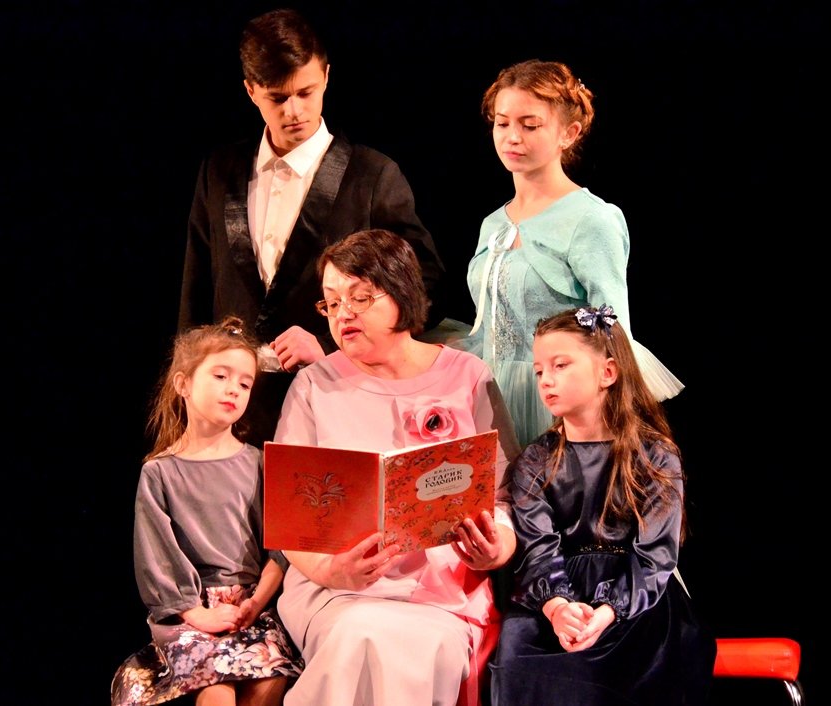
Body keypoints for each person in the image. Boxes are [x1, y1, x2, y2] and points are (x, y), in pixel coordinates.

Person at [273, 229, 520, 706]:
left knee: (419, 644)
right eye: (331, 302)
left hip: (443, 595)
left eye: (359, 297)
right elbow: (290, 518)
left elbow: (504, 497)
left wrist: (496, 548)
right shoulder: (314, 386)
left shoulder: (468, 376)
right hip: (339, 590)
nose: (343, 313)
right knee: (358, 634)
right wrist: (332, 572)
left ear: (400, 292)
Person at [179, 8, 446, 449]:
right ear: (251, 91)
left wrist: (330, 342)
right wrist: (189, 380)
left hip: (339, 402)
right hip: (233, 409)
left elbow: (425, 288)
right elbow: (197, 286)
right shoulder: (220, 170)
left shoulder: (372, 176)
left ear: (325, 75)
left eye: (306, 92)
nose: (295, 111)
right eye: (278, 98)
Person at [488, 305, 716, 705]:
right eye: (539, 371)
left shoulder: (654, 455)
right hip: (557, 592)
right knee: (518, 657)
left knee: (620, 669)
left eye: (560, 366)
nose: (546, 380)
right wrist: (558, 608)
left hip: (635, 598)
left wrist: (609, 609)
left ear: (607, 372)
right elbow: (538, 550)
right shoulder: (537, 460)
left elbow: (656, 556)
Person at [458, 59, 682, 448]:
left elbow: (613, 330)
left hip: (558, 402)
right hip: (492, 398)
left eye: (530, 125)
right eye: (502, 123)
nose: (512, 137)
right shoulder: (493, 224)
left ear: (569, 133)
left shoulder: (590, 219)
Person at [110, 316, 304, 706]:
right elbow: (157, 557)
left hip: (252, 608)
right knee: (216, 688)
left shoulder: (259, 463)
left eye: (245, 383)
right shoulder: (161, 472)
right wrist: (197, 614)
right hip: (192, 614)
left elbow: (280, 547)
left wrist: (255, 603)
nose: (233, 389)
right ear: (183, 384)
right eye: (220, 376)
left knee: (270, 678)